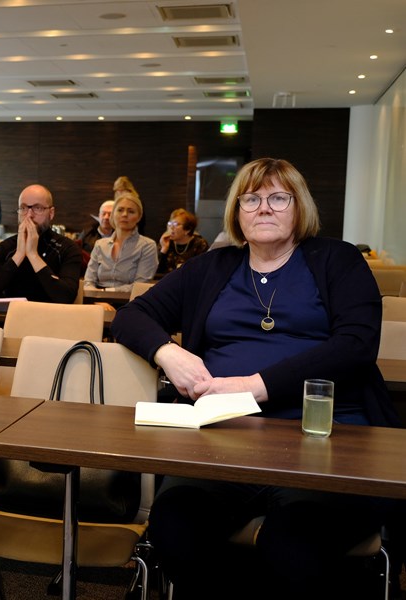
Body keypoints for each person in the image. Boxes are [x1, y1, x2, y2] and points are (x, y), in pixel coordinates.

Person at [111, 158, 400, 599]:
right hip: (224, 440)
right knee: (175, 526)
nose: (264, 208)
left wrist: (253, 385)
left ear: (299, 207)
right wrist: (169, 353)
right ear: (237, 211)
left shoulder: (337, 259)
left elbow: (357, 345)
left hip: (325, 440)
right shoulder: (213, 266)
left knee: (293, 545)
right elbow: (130, 317)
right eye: (251, 199)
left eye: (278, 198)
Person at [0, 184, 83, 304]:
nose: (29, 215)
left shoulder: (67, 248)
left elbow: (66, 297)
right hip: (12, 315)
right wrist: (19, 255)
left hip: (52, 315)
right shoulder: (5, 248)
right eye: (23, 208)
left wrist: (33, 255)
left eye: (38, 208)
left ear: (51, 213)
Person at [83, 191, 157, 292]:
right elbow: (88, 281)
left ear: (139, 217)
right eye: (120, 210)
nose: (125, 214)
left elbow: (140, 285)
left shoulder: (147, 246)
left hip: (130, 299)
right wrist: (96, 295)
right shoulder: (100, 244)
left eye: (131, 211)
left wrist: (106, 292)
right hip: (97, 298)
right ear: (113, 214)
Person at [157, 208, 208, 274]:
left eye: (176, 224)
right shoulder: (165, 241)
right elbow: (156, 271)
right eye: (170, 224)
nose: (171, 228)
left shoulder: (200, 244)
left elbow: (202, 270)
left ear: (188, 230)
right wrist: (164, 249)